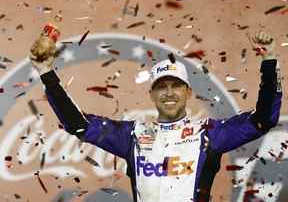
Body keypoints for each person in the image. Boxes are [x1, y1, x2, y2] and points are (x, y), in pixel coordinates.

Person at [29, 31, 282, 202]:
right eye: (162, 86)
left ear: (188, 92)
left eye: (176, 86)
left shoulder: (210, 133)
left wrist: (269, 60)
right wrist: (45, 72)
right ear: (151, 94)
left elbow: (263, 120)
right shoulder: (133, 136)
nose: (169, 93)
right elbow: (78, 125)